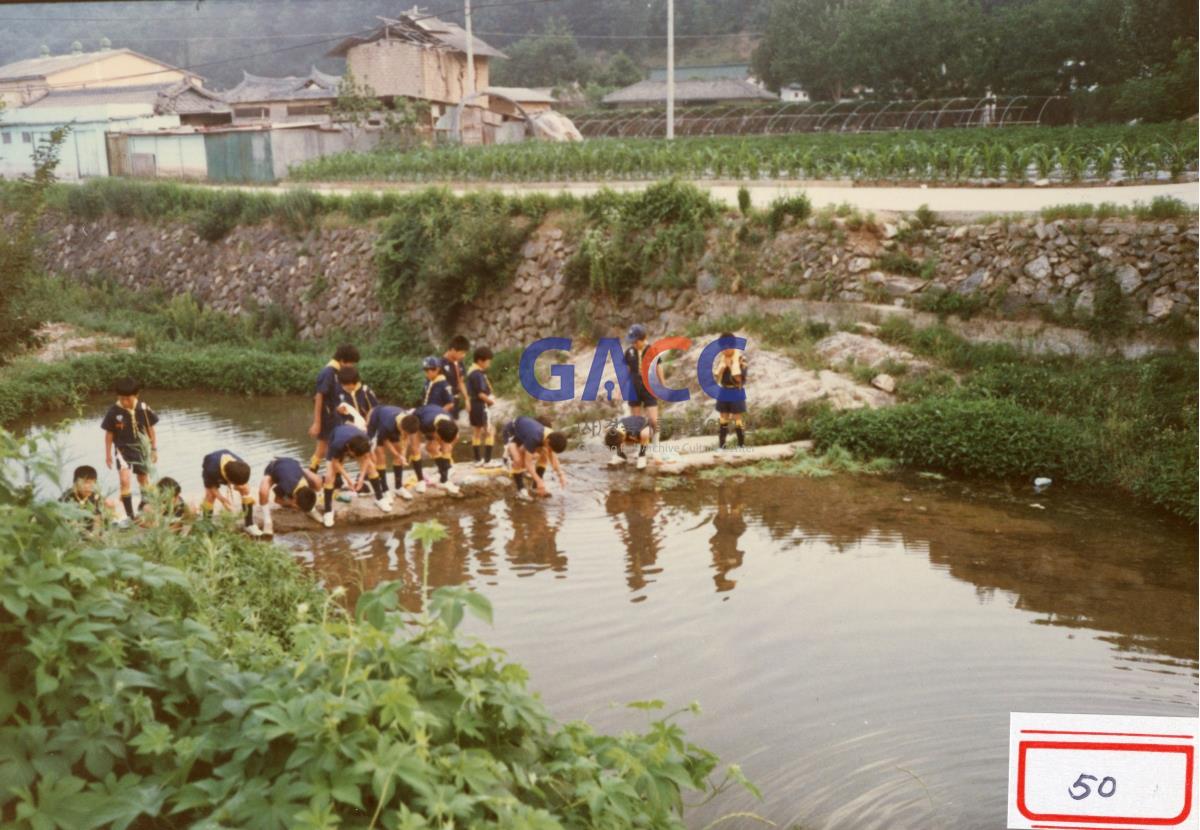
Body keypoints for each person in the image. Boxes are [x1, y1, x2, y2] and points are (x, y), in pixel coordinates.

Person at [101, 377, 159, 521]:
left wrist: (154, 449)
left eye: (128, 398)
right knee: (124, 480)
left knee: (143, 479)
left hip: (141, 449)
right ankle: (130, 515)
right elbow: (109, 434)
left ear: (136, 395)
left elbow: (150, 429)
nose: (125, 401)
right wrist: (108, 454)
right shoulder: (114, 411)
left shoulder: (143, 408)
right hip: (122, 450)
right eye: (122, 398)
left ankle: (144, 505)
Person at [321, 423, 391, 527]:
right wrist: (349, 480)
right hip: (336, 436)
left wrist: (362, 478)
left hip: (354, 440)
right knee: (330, 476)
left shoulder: (365, 441)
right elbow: (336, 463)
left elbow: (366, 458)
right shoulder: (337, 444)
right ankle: (328, 511)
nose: (353, 457)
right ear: (349, 449)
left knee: (371, 467)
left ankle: (379, 499)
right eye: (352, 455)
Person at [308, 344, 359, 474]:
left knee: (325, 448)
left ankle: (320, 477)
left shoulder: (338, 372)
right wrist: (317, 423)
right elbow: (319, 396)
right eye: (351, 363)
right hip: (327, 417)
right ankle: (317, 477)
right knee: (326, 448)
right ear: (342, 360)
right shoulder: (328, 372)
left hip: (335, 415)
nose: (352, 367)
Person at [503, 415, 568, 502]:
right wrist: (539, 480)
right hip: (511, 433)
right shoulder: (534, 437)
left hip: (524, 434)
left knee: (545, 453)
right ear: (548, 442)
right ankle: (521, 490)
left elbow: (553, 458)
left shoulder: (551, 435)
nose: (550, 450)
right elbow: (528, 463)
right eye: (550, 448)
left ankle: (535, 487)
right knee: (518, 460)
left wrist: (561, 475)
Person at [404, 404, 461, 496]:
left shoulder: (450, 424)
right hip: (417, 418)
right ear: (436, 432)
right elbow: (420, 440)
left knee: (440, 448)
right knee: (415, 449)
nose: (440, 441)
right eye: (439, 438)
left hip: (435, 420)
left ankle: (444, 480)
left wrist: (444, 449)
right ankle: (420, 480)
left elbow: (452, 441)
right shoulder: (425, 423)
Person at [200, 449, 261, 536]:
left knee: (245, 489)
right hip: (211, 467)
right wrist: (222, 499)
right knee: (210, 495)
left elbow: (243, 484)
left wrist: (248, 496)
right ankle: (206, 525)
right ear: (229, 480)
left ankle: (249, 524)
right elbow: (212, 487)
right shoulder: (211, 469)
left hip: (230, 471)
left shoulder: (241, 464)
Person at [257, 456, 323, 535]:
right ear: (294, 498)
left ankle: (311, 509)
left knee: (317, 481)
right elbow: (276, 500)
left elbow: (308, 494)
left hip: (293, 464)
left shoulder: (306, 485)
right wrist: (290, 503)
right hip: (273, 467)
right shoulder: (285, 486)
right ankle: (267, 522)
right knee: (263, 491)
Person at [365, 404, 415, 502]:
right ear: (401, 427)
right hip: (377, 420)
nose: (406, 434)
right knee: (381, 455)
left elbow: (406, 438)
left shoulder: (409, 421)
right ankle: (384, 489)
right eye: (404, 432)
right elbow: (385, 441)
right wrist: (397, 455)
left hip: (393, 419)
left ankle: (398, 487)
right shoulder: (387, 425)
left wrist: (402, 455)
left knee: (400, 451)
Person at [623, 324, 662, 435]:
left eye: (636, 341)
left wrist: (662, 385)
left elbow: (658, 368)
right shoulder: (629, 352)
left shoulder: (652, 350)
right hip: (634, 387)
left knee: (654, 420)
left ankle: (655, 444)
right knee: (636, 421)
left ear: (643, 338)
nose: (634, 344)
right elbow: (627, 371)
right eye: (632, 342)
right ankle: (641, 447)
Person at [714, 332, 748, 450]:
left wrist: (730, 366)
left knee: (737, 418)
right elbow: (717, 377)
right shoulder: (722, 359)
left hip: (736, 391)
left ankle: (741, 445)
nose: (724, 350)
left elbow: (740, 380)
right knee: (723, 418)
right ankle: (722, 446)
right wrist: (723, 368)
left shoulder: (741, 359)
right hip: (724, 390)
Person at [466, 346, 499, 467]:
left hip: (473, 405)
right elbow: (481, 394)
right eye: (488, 361)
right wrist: (491, 401)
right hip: (481, 405)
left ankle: (477, 459)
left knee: (476, 431)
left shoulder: (471, 372)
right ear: (480, 361)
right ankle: (488, 460)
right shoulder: (478, 374)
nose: (489, 364)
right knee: (490, 431)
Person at [59, 465, 108, 532]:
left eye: (93, 482)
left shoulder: (96, 497)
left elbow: (97, 519)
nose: (89, 486)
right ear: (75, 482)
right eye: (86, 482)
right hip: (73, 532)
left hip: (91, 532)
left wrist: (94, 535)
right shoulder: (66, 497)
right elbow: (68, 521)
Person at [440, 335, 470, 420]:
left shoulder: (459, 363)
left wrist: (466, 398)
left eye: (465, 353)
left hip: (455, 401)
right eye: (462, 353)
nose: (464, 355)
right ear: (453, 350)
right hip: (444, 403)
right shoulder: (440, 364)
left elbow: (460, 382)